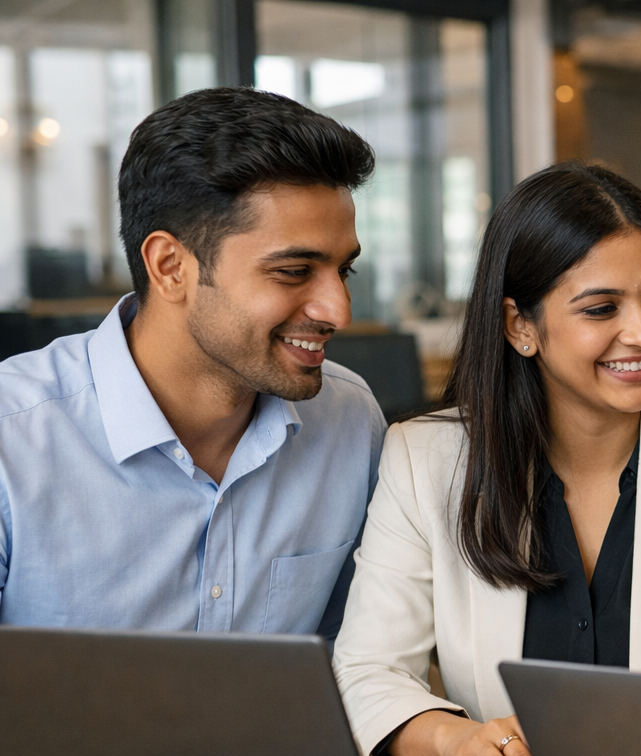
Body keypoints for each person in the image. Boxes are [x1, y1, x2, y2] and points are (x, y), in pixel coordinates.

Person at [332, 164, 641, 756]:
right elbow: (368, 671)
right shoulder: (425, 458)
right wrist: (454, 740)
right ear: (520, 326)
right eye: (602, 308)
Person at [0, 87, 384, 637]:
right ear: (170, 266)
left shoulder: (348, 418)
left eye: (343, 271)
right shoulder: (13, 440)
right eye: (294, 271)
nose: (338, 311)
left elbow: (364, 667)